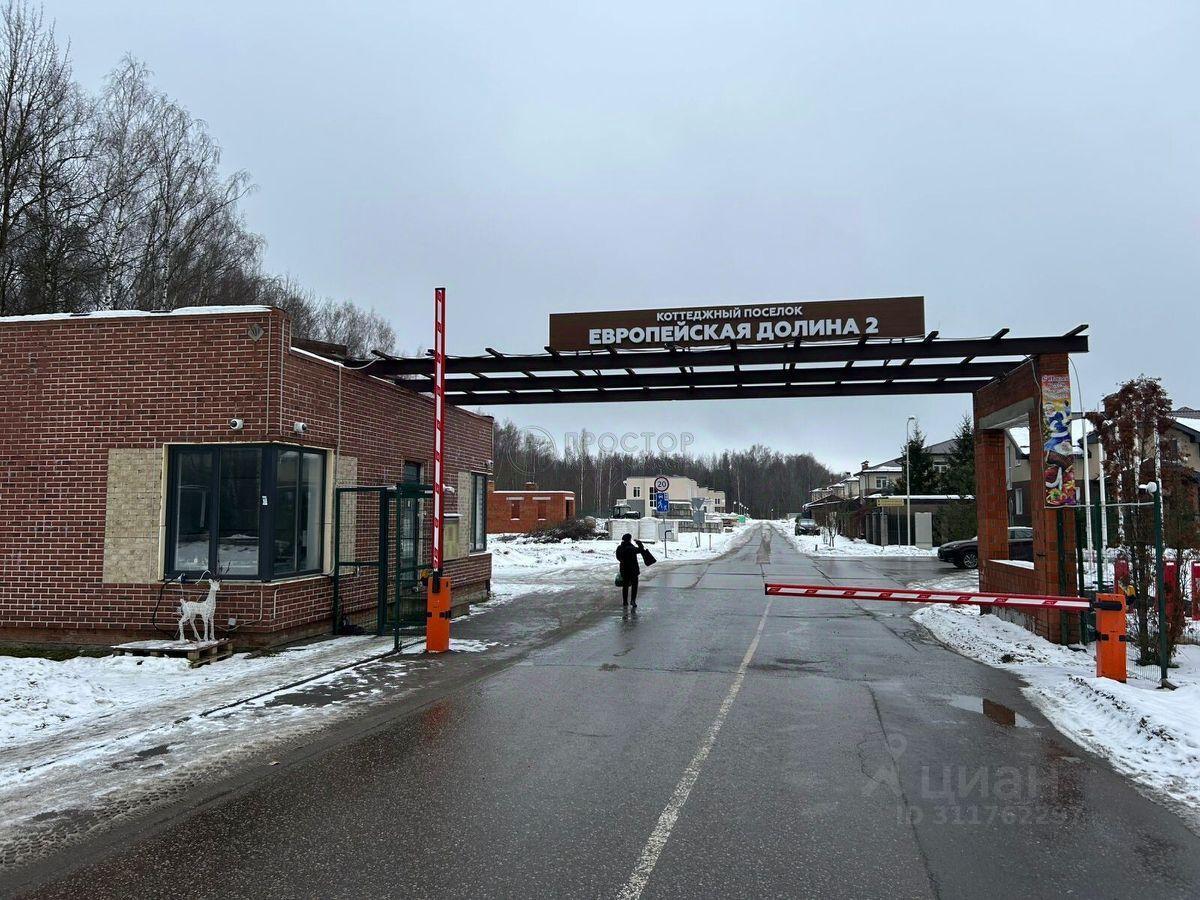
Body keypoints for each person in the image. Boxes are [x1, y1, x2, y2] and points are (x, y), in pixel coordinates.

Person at [615, 533, 645, 608]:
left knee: (625, 586)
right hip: (633, 570)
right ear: (629, 539)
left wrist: (623, 562)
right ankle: (633, 600)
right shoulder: (631, 548)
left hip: (624, 569)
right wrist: (639, 543)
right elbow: (641, 550)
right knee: (634, 585)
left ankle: (625, 601)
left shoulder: (619, 548)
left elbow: (618, 557)